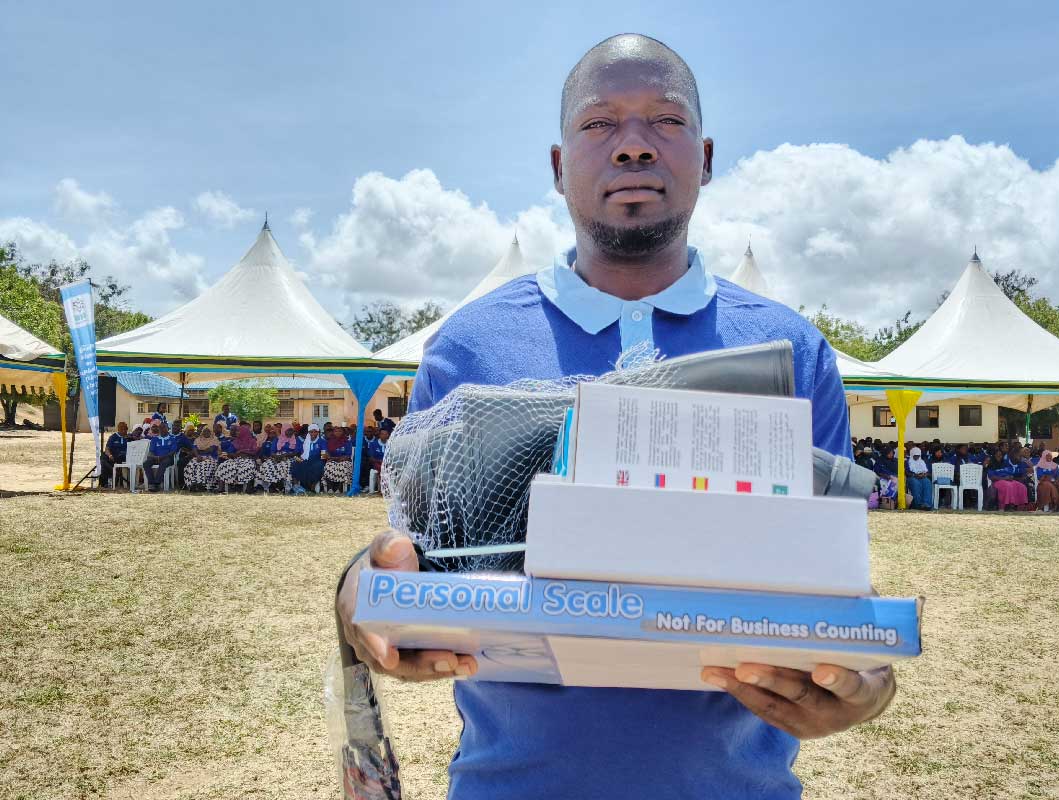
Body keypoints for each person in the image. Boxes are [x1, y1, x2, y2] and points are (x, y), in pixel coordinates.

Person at [336, 35, 893, 800]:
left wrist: (864, 685)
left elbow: (836, 601)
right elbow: (405, 557)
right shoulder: (467, 346)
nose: (633, 146)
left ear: (704, 156)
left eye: (664, 121)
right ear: (561, 166)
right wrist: (362, 598)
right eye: (601, 125)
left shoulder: (792, 351)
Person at [215, 421, 259, 492]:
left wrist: (243, 451)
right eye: (237, 431)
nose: (237, 433)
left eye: (238, 431)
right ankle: (221, 488)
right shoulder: (235, 441)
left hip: (248, 459)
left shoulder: (252, 441)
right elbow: (229, 453)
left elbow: (254, 452)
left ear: (244, 432)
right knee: (224, 466)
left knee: (248, 467)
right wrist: (236, 454)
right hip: (236, 459)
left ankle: (248, 488)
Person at [255, 424, 291, 493]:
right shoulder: (265, 443)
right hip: (271, 459)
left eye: (274, 433)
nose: (272, 435)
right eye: (271, 433)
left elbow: (287, 452)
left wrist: (279, 457)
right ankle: (265, 486)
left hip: (282, 459)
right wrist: (269, 458)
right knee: (266, 466)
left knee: (281, 466)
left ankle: (280, 486)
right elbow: (263, 454)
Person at [184, 426, 221, 491]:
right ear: (202, 432)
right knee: (191, 465)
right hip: (199, 457)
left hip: (211, 458)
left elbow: (210, 450)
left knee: (202, 466)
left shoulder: (214, 440)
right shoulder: (198, 440)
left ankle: (201, 485)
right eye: (204, 431)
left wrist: (199, 451)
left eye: (208, 431)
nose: (206, 432)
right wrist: (198, 455)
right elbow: (195, 449)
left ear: (211, 432)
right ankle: (191, 484)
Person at [290, 425, 326, 493]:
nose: (313, 434)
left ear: (318, 432)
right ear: (308, 433)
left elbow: (324, 454)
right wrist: (299, 458)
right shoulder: (305, 442)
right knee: (296, 464)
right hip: (306, 460)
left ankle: (313, 486)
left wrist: (322, 460)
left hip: (317, 460)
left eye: (315, 432)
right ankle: (297, 486)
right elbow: (301, 453)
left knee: (318, 466)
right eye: (311, 432)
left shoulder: (322, 441)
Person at [144, 423, 179, 491]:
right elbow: (151, 451)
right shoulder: (154, 439)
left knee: (164, 463)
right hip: (156, 458)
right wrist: (155, 457)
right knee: (146, 463)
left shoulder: (172, 439)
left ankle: (157, 484)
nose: (162, 429)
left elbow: (172, 452)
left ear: (167, 429)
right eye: (160, 428)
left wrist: (162, 457)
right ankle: (151, 483)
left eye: (164, 428)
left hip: (168, 458)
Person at [321, 425, 354, 491]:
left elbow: (348, 456)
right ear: (333, 432)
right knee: (328, 465)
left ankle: (339, 488)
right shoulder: (328, 442)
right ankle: (330, 488)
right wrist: (330, 458)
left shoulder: (347, 442)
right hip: (333, 461)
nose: (338, 432)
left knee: (343, 466)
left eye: (340, 431)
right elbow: (324, 455)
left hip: (344, 461)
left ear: (343, 432)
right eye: (336, 431)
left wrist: (334, 458)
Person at [101, 422, 129, 488]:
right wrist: (110, 455)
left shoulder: (128, 437)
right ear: (118, 429)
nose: (123, 431)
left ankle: (118, 476)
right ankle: (106, 481)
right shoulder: (113, 437)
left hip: (124, 457)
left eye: (125, 429)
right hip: (114, 456)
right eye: (122, 429)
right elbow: (107, 449)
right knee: (103, 458)